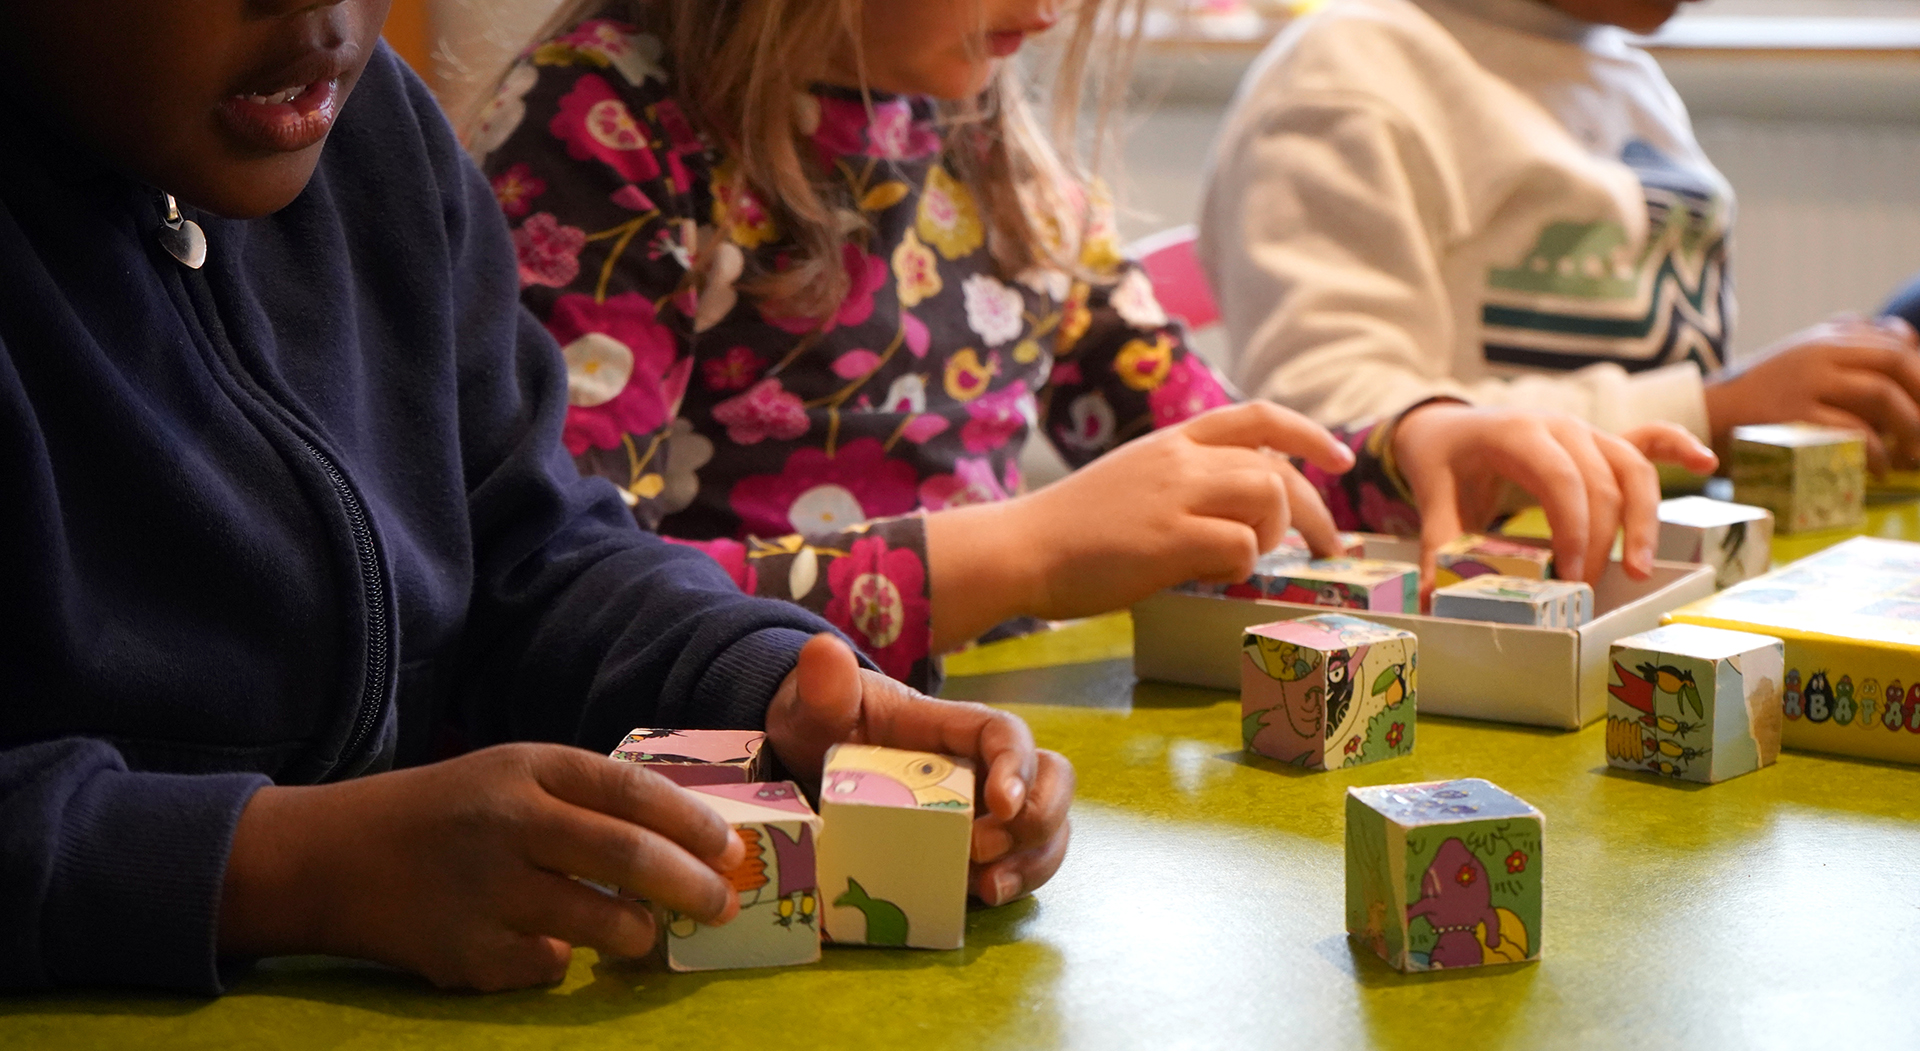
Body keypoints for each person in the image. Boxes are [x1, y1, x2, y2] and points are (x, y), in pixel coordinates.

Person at [0, 0, 1072, 995]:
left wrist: (765, 681)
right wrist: (287, 868)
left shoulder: (377, 138)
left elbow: (537, 547)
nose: (323, 9)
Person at [472, 0, 1717, 692]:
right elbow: (575, 594)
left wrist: (1425, 444)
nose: (1056, 11)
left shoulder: (981, 140)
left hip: (1001, 763)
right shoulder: (607, 128)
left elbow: (1219, 441)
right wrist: (1025, 553)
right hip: (732, 780)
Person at [1200, 0, 1920, 475]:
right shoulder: (1347, 75)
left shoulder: (1629, 76)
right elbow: (1331, 431)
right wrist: (1712, 413)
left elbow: (1667, 365)